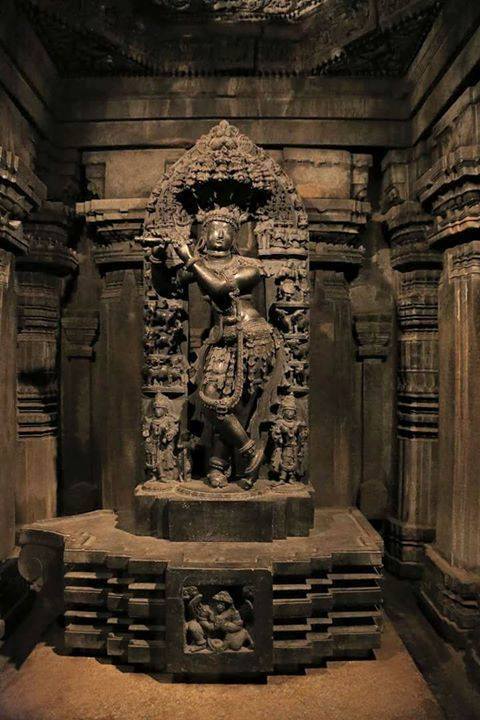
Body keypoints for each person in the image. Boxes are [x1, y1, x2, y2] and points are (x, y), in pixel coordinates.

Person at [170, 205, 284, 490]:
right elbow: (170, 287)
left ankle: (218, 467)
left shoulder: (248, 266)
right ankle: (250, 451)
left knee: (239, 406)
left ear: (235, 236)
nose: (219, 235)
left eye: (226, 230)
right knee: (212, 401)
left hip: (254, 338)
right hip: (222, 339)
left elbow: (220, 287)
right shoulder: (200, 266)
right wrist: (161, 259)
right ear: (204, 235)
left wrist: (189, 260)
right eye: (212, 229)